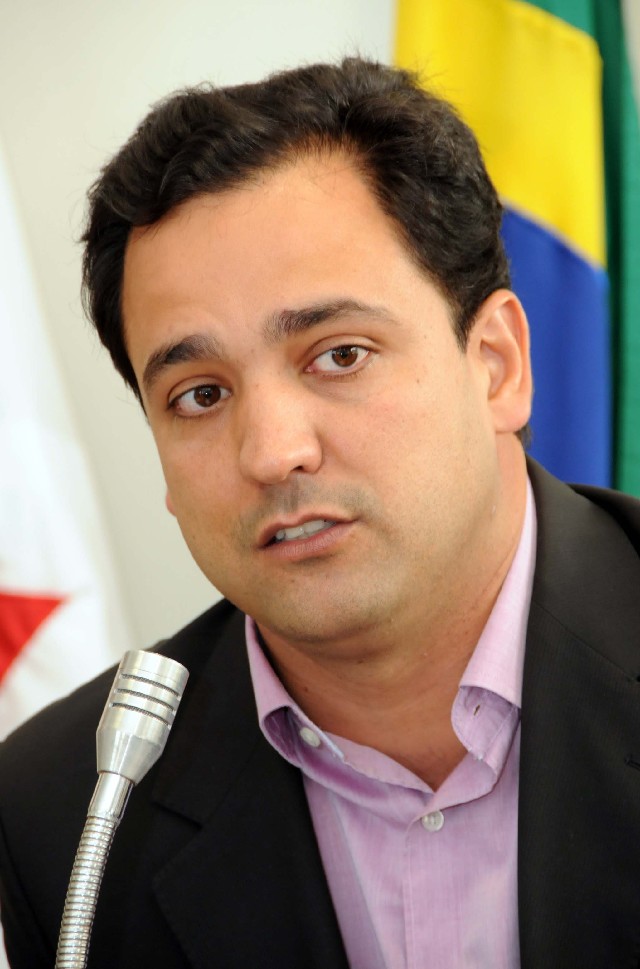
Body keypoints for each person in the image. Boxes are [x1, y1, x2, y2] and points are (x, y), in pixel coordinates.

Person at [1, 57, 640, 969]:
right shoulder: (69, 811)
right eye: (199, 394)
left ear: (496, 364)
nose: (271, 451)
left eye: (339, 354)